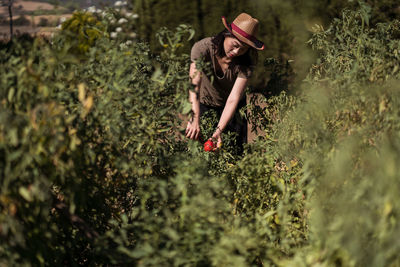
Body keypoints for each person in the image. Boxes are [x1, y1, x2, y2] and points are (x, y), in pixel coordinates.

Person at [185, 13, 264, 154]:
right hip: (204, 105)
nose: (237, 52)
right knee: (201, 157)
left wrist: (218, 132)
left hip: (233, 111)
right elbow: (194, 85)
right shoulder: (202, 48)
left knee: (235, 154)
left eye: (243, 49)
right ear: (226, 34)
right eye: (235, 45)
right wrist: (195, 117)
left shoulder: (247, 61)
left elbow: (234, 98)